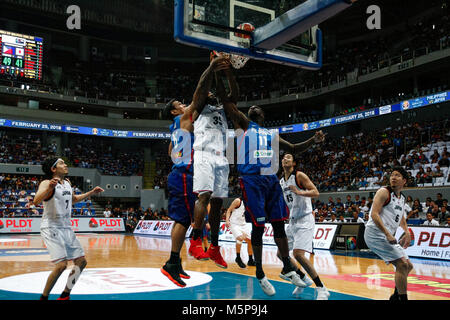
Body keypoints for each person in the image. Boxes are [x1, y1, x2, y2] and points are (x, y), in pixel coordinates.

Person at [215, 66, 326, 296]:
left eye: (258, 108)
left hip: (270, 181)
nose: (254, 108)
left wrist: (313, 140)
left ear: (263, 116)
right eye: (251, 108)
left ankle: (286, 266)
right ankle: (260, 273)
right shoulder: (243, 126)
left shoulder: (271, 135)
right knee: (258, 225)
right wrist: (223, 73)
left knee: (278, 224)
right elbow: (228, 104)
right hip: (251, 180)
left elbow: (294, 148)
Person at [160, 56, 230, 287]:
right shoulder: (185, 118)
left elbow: (170, 151)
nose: (184, 104)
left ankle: (176, 262)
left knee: (187, 218)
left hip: (182, 171)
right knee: (181, 220)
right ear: (173, 112)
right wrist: (211, 68)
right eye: (178, 104)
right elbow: (200, 94)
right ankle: (171, 262)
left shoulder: (180, 126)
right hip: (184, 173)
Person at [187, 54, 239, 269]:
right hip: (203, 153)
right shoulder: (198, 107)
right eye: (208, 92)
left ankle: (215, 248)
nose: (210, 93)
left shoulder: (223, 108)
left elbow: (233, 94)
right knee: (205, 195)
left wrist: (226, 70)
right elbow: (201, 87)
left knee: (217, 204)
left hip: (221, 157)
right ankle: (195, 239)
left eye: (212, 92)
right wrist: (211, 66)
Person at [33, 157, 104, 300]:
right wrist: (49, 188)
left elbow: (74, 199)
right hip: (51, 227)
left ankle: (65, 294)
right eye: (62, 163)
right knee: (61, 265)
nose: (65, 165)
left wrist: (91, 192)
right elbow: (36, 201)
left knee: (81, 262)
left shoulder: (67, 183)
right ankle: (44, 297)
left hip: (66, 228)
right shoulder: (46, 183)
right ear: (53, 169)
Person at [279, 153, 329, 299]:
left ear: (293, 163)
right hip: (292, 221)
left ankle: (321, 288)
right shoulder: (282, 181)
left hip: (305, 219)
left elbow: (316, 192)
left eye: (289, 157)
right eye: (283, 158)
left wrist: (299, 192)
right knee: (280, 253)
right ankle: (302, 277)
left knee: (298, 254)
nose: (285, 159)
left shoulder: (299, 176)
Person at [363, 167, 413, 300]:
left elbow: (401, 217)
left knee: (409, 266)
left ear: (404, 181)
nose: (393, 177)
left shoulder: (402, 198)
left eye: (397, 175)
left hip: (386, 235)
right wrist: (387, 234)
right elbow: (374, 214)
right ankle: (402, 298)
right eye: (392, 175)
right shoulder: (384, 192)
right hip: (374, 234)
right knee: (402, 265)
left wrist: (407, 231)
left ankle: (396, 295)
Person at [225, 197, 255, 268]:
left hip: (243, 224)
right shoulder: (238, 201)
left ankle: (250, 260)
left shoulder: (250, 201)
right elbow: (229, 210)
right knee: (240, 238)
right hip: (234, 223)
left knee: (250, 241)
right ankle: (238, 258)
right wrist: (227, 220)